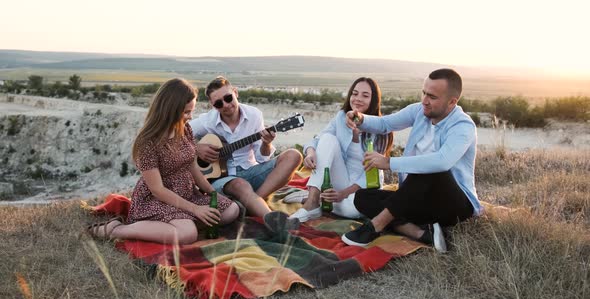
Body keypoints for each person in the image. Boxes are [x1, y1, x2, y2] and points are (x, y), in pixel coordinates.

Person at [341, 69, 482, 252]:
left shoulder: (463, 126)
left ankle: (375, 226)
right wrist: (360, 119)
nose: (424, 100)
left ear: (452, 102)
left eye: (432, 96)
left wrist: (389, 163)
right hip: (417, 197)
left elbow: (441, 161)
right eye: (424, 93)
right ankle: (421, 233)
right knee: (363, 197)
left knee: (430, 169)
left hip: (455, 206)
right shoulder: (420, 111)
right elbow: (385, 124)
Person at [87, 78, 240, 244]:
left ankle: (180, 223)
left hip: (187, 194)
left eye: (191, 111)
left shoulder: (184, 128)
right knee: (187, 235)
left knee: (231, 210)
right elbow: (157, 190)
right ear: (170, 110)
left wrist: (212, 193)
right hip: (158, 199)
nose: (190, 117)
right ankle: (116, 229)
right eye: (186, 112)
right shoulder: (148, 142)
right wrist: (196, 209)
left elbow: (191, 165)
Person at [190, 76, 302, 218]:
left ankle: (254, 202)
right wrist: (196, 147)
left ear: (235, 93)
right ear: (212, 105)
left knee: (294, 155)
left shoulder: (254, 115)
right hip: (219, 180)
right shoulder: (207, 121)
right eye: (218, 103)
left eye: (228, 98)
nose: (225, 105)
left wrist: (266, 143)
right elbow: (175, 133)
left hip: (250, 171)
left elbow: (262, 158)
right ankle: (272, 219)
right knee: (240, 184)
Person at [290, 77, 393, 222]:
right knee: (328, 139)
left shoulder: (381, 128)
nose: (357, 99)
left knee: (351, 211)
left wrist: (343, 194)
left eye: (365, 95)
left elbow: (372, 173)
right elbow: (318, 139)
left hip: (362, 187)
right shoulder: (341, 117)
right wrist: (310, 152)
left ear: (374, 100)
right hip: (340, 177)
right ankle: (312, 202)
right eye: (355, 93)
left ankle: (320, 198)